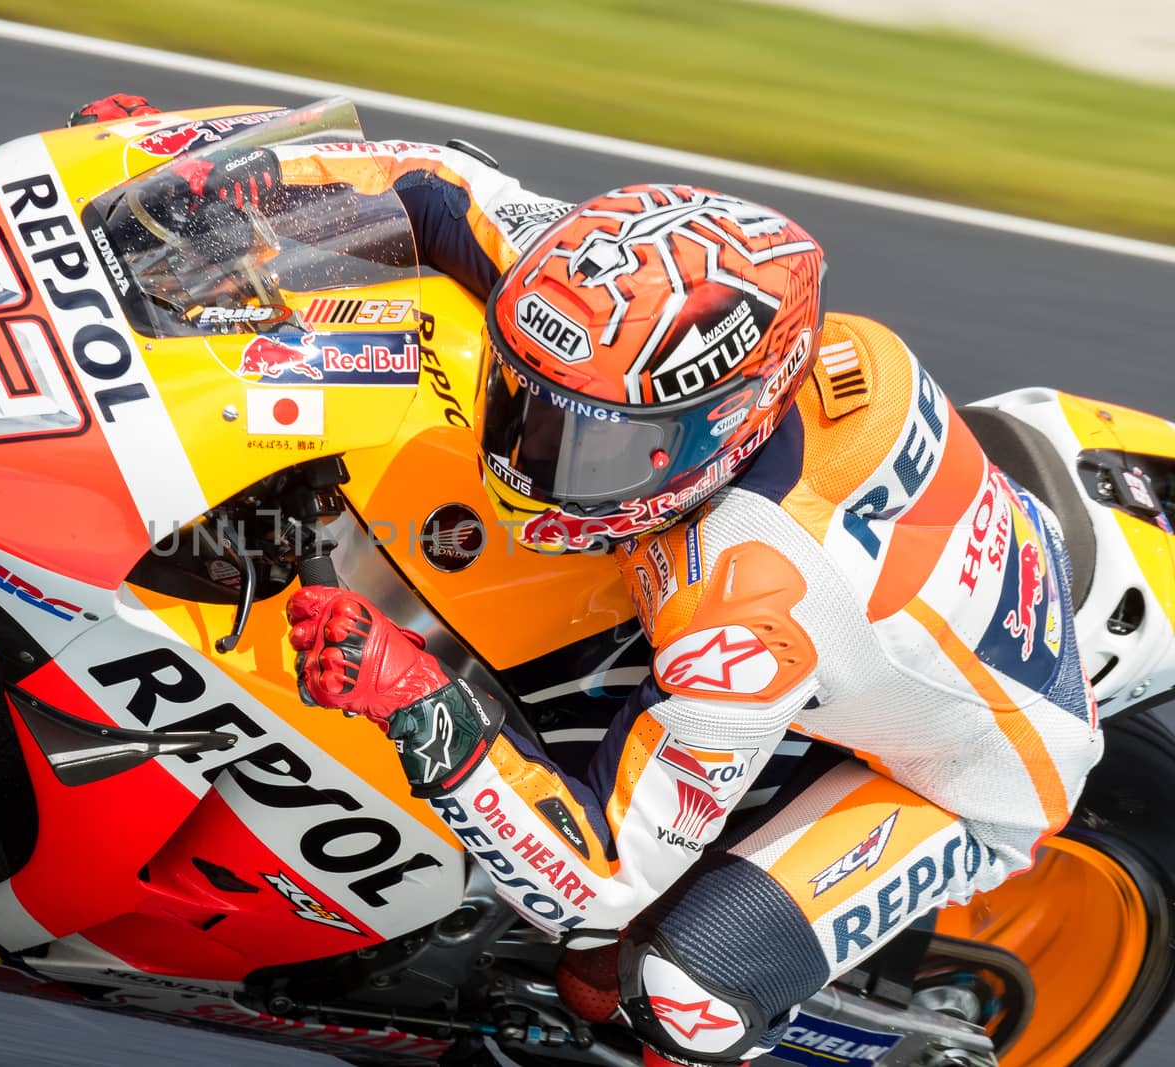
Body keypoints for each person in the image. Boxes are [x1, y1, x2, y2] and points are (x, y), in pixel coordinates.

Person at [75, 95, 1103, 1067]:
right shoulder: (608, 309)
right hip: (882, 584)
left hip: (960, 772)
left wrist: (419, 700)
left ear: (724, 429)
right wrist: (209, 187)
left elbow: (602, 881)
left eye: (590, 446)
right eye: (526, 402)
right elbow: (436, 184)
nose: (530, 457)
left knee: (664, 987)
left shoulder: (747, 608)